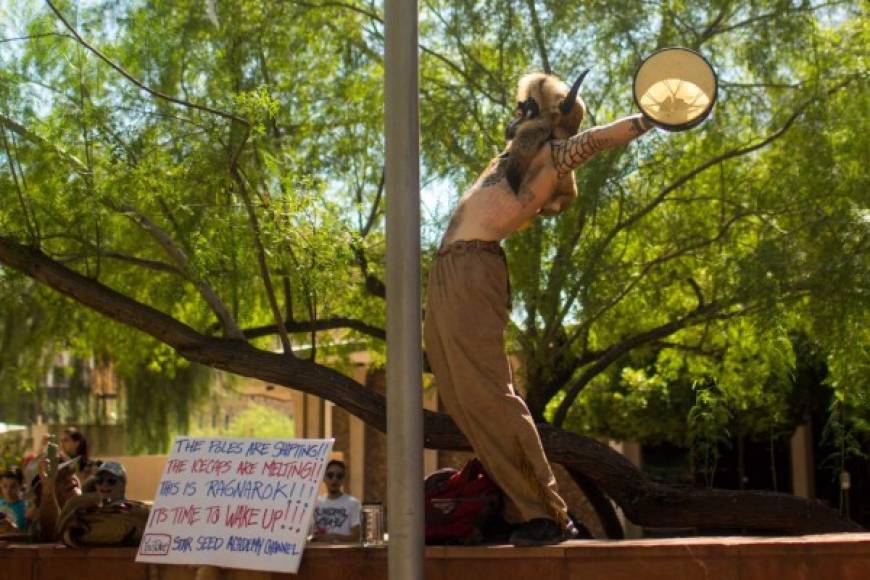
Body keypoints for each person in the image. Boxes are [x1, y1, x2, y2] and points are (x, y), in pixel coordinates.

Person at [423, 71, 656, 545]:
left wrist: (647, 119)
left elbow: (590, 142)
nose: (515, 114)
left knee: (490, 396)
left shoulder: (552, 153)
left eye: (523, 106)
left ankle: (547, 512)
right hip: (448, 270)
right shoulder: (513, 158)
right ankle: (513, 505)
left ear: (542, 114)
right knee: (463, 399)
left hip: (474, 270)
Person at [311, 460, 361, 543]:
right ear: (324, 477)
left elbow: (357, 537)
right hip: (318, 553)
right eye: (330, 475)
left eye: (339, 476)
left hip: (343, 554)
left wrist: (334, 537)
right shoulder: (316, 503)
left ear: (344, 478)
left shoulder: (353, 503)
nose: (334, 479)